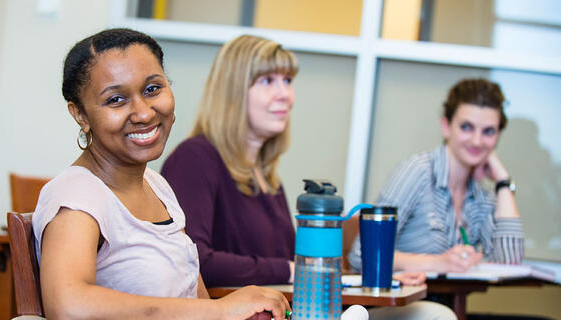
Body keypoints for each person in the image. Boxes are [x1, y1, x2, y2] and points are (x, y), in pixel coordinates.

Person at [162, 34, 456, 320]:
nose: (285, 95)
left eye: (287, 81)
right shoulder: (195, 158)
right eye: (268, 81)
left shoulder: (266, 175)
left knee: (433, 314)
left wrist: (376, 280)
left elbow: (294, 260)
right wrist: (291, 270)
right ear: (233, 91)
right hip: (248, 313)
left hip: (289, 308)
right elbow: (196, 260)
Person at [32, 28, 290, 320]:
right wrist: (220, 309)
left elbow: (197, 302)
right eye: (116, 99)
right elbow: (67, 305)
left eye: (152, 89)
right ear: (80, 115)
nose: (143, 113)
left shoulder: (157, 187)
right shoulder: (77, 194)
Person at [349, 78, 524, 274]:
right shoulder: (417, 172)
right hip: (402, 300)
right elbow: (362, 254)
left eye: (488, 132)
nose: (476, 141)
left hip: (449, 302)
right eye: (466, 127)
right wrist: (436, 263)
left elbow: (509, 265)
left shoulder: (480, 197)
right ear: (446, 126)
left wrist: (502, 182)